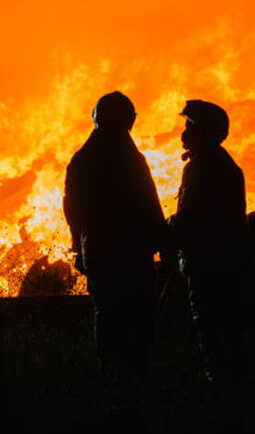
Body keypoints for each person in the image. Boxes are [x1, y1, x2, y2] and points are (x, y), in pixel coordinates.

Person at [63, 92, 167, 404]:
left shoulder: (83, 158)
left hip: (98, 250)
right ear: (125, 119)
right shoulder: (129, 157)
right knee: (136, 316)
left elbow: (73, 209)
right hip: (130, 252)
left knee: (108, 316)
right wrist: (164, 243)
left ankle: (111, 379)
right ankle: (134, 379)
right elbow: (149, 203)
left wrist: (78, 248)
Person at [168, 99, 248, 384]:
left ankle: (222, 393)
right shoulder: (223, 165)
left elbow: (190, 218)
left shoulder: (202, 168)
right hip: (226, 263)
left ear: (205, 131)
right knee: (228, 334)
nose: (183, 133)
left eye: (190, 126)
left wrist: (161, 232)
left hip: (208, 265)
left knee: (213, 334)